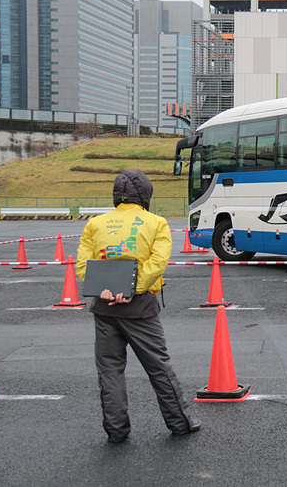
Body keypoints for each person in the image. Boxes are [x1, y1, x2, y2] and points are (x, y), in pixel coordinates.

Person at [76, 169, 200, 443]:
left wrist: (105, 289)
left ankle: (116, 431)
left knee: (110, 370)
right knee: (158, 366)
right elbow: (158, 263)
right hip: (140, 306)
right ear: (144, 193)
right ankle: (180, 423)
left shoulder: (95, 224)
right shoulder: (156, 223)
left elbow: (83, 265)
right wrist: (133, 289)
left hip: (104, 306)